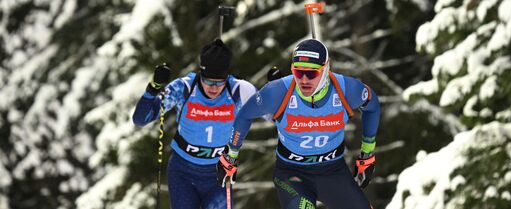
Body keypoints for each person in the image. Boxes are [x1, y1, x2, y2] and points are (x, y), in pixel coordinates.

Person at [216, 39, 380, 209]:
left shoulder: (346, 89)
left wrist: (367, 154)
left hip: (333, 172)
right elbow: (245, 115)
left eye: (311, 73)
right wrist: (231, 154)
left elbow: (372, 104)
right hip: (292, 173)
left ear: (326, 68)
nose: (303, 80)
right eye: (298, 72)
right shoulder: (277, 92)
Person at [133, 39, 256, 209]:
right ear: (200, 73)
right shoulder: (184, 88)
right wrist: (153, 88)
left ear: (226, 78)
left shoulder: (239, 91)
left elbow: (273, 115)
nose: (213, 88)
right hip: (183, 173)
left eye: (219, 82)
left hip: (218, 175)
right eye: (208, 81)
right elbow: (140, 119)